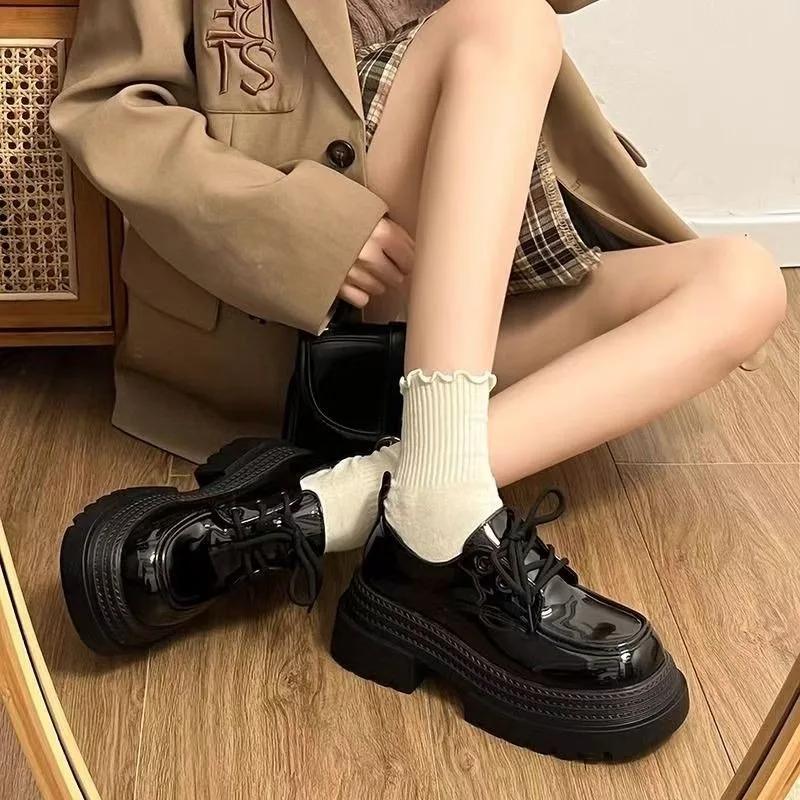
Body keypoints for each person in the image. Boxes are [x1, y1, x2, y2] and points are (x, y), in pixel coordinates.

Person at [52, 0, 786, 760]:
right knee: (504, 22)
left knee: (744, 285)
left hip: (456, 313)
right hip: (294, 313)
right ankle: (431, 503)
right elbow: (109, 109)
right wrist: (305, 228)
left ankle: (348, 503)